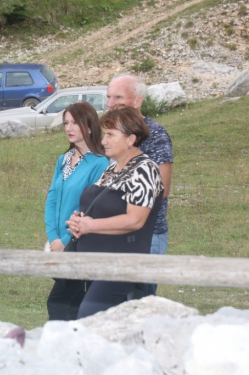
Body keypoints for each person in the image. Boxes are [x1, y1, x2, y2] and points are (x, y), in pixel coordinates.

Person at [66, 106, 164, 319]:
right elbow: (99, 207)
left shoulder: (145, 170)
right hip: (96, 263)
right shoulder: (113, 169)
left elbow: (135, 220)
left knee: (89, 314)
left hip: (121, 264)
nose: (103, 141)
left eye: (110, 134)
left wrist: (91, 226)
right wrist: (79, 220)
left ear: (131, 139)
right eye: (104, 134)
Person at [106, 74, 173, 295]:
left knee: (137, 307)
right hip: (113, 233)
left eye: (118, 96)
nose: (111, 103)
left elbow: (161, 189)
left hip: (146, 235)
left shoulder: (156, 135)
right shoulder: (110, 135)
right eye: (108, 97)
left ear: (137, 101)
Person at [45, 101, 109, 321]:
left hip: (80, 244)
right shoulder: (63, 160)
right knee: (72, 304)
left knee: (59, 303)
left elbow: (91, 209)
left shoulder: (99, 164)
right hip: (60, 243)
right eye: (66, 123)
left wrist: (64, 241)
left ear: (89, 126)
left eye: (75, 123)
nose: (68, 128)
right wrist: (53, 238)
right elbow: (52, 199)